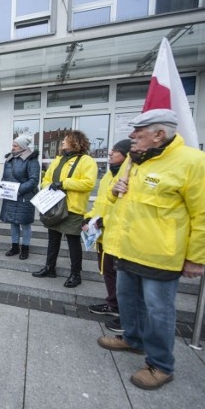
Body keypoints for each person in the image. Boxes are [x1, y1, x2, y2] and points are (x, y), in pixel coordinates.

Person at [98, 109, 205, 390]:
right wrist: (115, 189)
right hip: (126, 249)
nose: (131, 137)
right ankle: (132, 340)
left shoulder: (195, 163)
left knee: (159, 312)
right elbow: (115, 198)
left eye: (138, 132)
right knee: (128, 301)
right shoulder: (136, 161)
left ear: (159, 134)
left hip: (161, 255)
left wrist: (198, 257)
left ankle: (160, 365)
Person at [33, 130, 98, 288]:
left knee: (72, 242)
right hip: (54, 206)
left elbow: (88, 183)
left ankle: (76, 274)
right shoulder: (59, 160)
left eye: (66, 140)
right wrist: (48, 186)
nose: (62, 142)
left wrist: (63, 183)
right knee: (53, 239)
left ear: (75, 142)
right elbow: (46, 179)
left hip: (72, 208)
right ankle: (50, 268)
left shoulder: (87, 161)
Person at [82, 139, 131, 332]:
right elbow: (102, 203)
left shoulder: (128, 177)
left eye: (115, 152)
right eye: (111, 151)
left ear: (126, 156)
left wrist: (104, 220)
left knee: (117, 273)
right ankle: (112, 303)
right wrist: (89, 217)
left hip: (116, 234)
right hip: (102, 233)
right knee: (107, 270)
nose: (110, 154)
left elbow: (126, 210)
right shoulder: (108, 176)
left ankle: (122, 311)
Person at [0, 134, 40, 260]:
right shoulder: (10, 159)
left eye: (15, 145)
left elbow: (33, 181)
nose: (12, 147)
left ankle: (25, 248)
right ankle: (15, 246)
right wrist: (2, 186)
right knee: (13, 222)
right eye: (13, 145)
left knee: (25, 224)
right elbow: (5, 177)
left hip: (24, 197)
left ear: (22, 147)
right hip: (11, 196)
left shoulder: (32, 161)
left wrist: (18, 190)